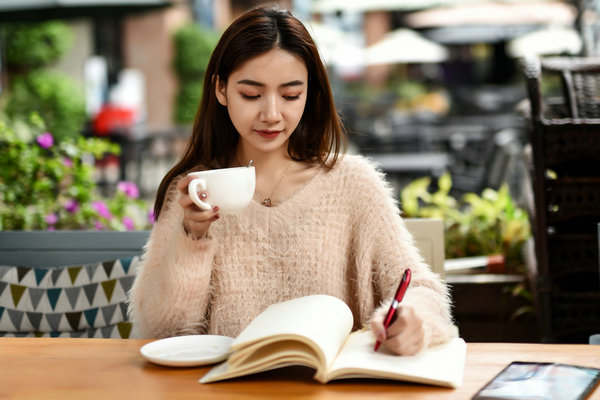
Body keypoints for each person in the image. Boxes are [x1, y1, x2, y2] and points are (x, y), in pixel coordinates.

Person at [128, 6, 457, 356]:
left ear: (310, 94)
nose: (271, 114)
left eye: (290, 95)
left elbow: (422, 289)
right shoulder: (195, 190)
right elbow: (161, 333)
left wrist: (412, 319)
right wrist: (192, 238)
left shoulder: (354, 184)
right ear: (221, 90)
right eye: (251, 94)